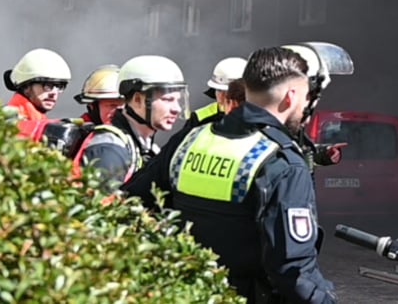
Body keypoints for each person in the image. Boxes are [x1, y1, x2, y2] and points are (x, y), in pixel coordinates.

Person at [124, 46, 338, 303]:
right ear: (291, 96)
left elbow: (134, 201)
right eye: (306, 97)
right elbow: (293, 271)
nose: (306, 106)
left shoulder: (190, 139)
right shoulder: (282, 162)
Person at [75, 55, 184, 188]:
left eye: (178, 100)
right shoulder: (109, 148)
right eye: (167, 99)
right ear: (137, 100)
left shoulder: (145, 147)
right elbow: (98, 204)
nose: (177, 109)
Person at [3, 48, 71, 139]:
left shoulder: (37, 120)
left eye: (59, 86)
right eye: (47, 85)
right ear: (26, 86)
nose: (54, 93)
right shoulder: (9, 121)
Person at [189, 57, 248, 127]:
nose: (221, 96)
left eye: (227, 92)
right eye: (218, 90)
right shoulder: (199, 117)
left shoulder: (257, 118)